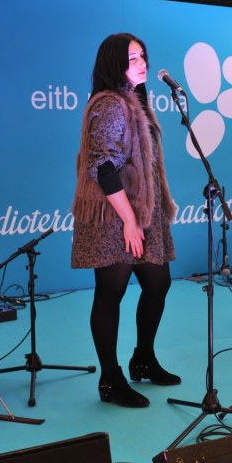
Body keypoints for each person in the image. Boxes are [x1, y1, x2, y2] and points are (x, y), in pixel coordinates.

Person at [71, 32, 179, 408]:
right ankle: (111, 379)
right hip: (113, 214)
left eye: (143, 56)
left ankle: (143, 359)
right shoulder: (110, 104)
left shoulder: (137, 100)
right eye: (133, 58)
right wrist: (130, 221)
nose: (142, 63)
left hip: (143, 211)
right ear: (114, 63)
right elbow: (102, 166)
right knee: (110, 293)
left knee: (158, 282)